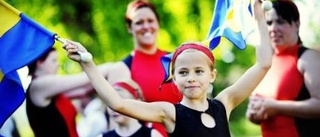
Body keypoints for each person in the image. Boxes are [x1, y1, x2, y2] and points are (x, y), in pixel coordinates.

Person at [63, 0, 272, 136]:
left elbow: (263, 64)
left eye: (199, 71)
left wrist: (259, 18)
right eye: (183, 72)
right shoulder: (169, 112)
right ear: (173, 77)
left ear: (212, 75)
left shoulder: (224, 104)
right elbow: (117, 103)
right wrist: (87, 63)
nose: (191, 78)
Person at [107, 0, 183, 136]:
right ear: (129, 28)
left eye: (150, 20)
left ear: (158, 23)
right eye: (139, 22)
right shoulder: (122, 68)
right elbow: (117, 124)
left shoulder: (175, 60)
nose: (146, 26)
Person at [245, 1, 320, 137]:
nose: (273, 28)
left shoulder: (308, 57)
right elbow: (260, 111)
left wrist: (275, 106)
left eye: (280, 22)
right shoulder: (265, 63)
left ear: (296, 24)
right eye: (269, 23)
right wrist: (252, 114)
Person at [26, 47, 113, 137]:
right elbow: (83, 79)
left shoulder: (51, 92)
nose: (58, 64)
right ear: (40, 63)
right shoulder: (38, 85)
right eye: (54, 60)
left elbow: (83, 90)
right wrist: (114, 66)